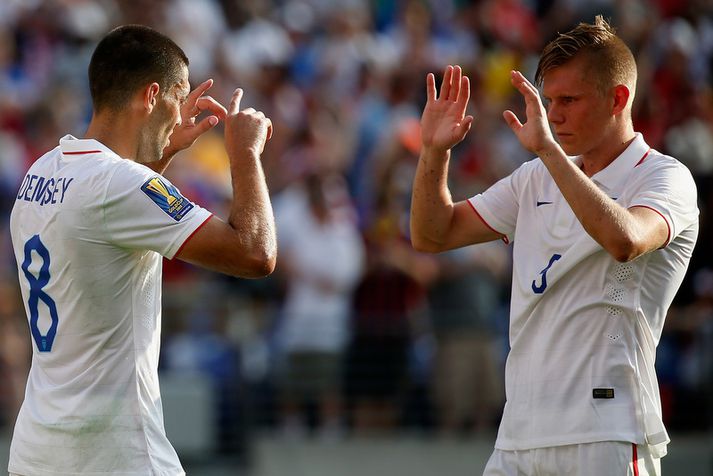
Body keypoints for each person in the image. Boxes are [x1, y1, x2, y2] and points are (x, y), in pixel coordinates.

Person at [410, 16, 698, 476]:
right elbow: (432, 235)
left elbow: (625, 240)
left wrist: (549, 153)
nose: (552, 115)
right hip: (518, 437)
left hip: (607, 432)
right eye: (549, 101)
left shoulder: (665, 177)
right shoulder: (534, 179)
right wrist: (434, 151)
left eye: (569, 100)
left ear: (618, 99)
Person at [8, 25, 276, 476]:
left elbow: (110, 219)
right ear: (152, 96)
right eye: (179, 96)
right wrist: (245, 154)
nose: (181, 113)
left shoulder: (42, 171)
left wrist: (161, 153)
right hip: (115, 457)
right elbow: (254, 253)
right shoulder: (120, 185)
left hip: (37, 454)